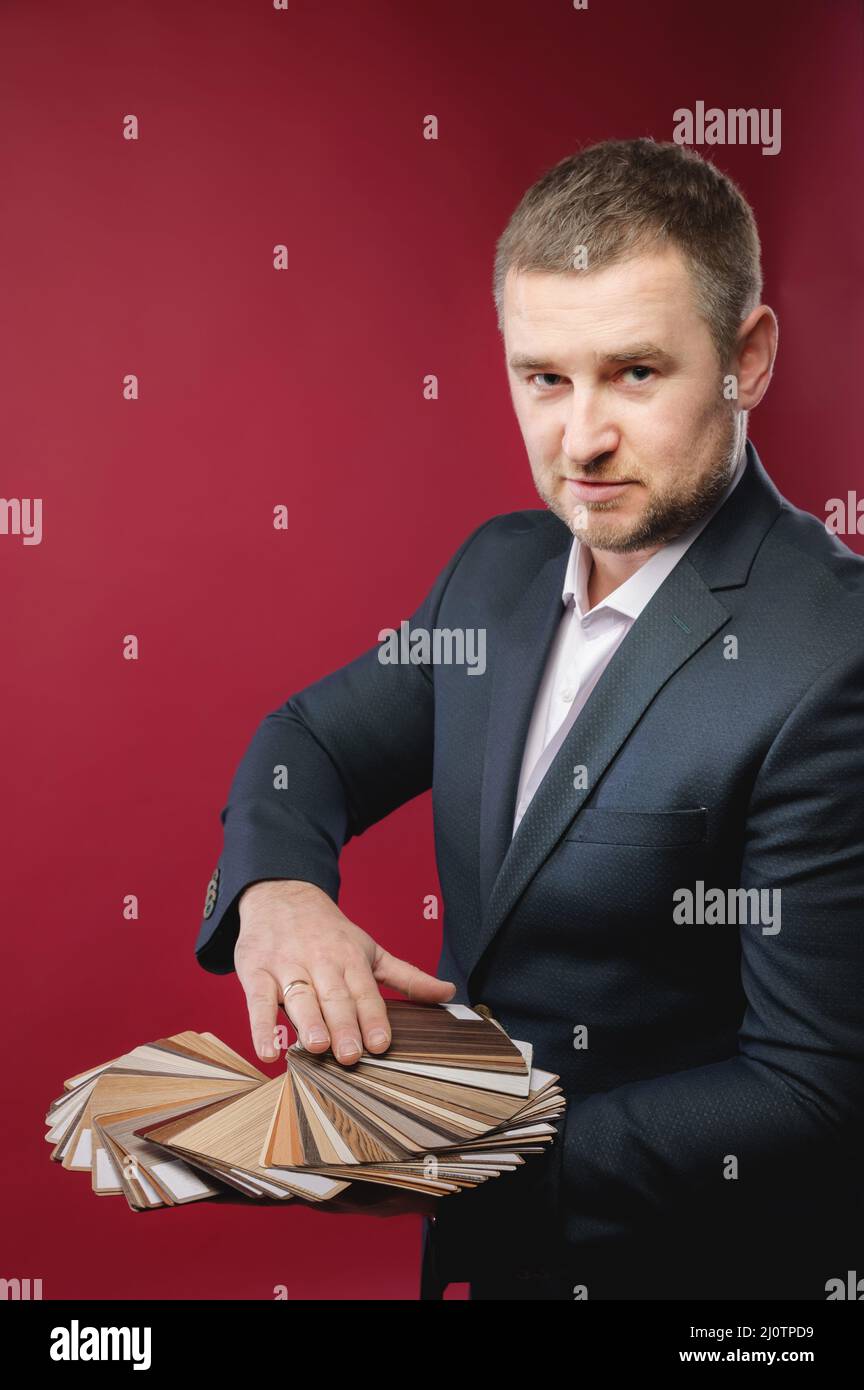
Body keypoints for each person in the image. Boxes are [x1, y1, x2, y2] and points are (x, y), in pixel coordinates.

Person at [194, 138, 864, 1300]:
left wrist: (450, 1152)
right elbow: (309, 744)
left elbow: (816, 1090)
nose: (581, 440)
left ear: (748, 357)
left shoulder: (835, 655)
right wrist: (279, 895)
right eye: (544, 377)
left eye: (636, 373)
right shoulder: (496, 573)